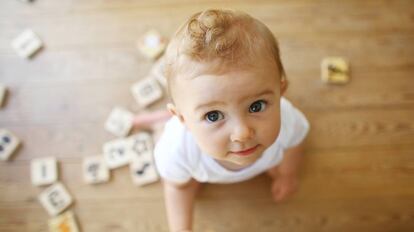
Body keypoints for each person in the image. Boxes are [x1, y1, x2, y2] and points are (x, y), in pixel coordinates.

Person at [153, 9, 310, 232]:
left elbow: (296, 142)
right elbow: (176, 189)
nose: (242, 133)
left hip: (261, 164)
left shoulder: (288, 120)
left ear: (280, 90)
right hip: (196, 167)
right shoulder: (177, 150)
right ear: (182, 119)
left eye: (256, 106)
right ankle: (157, 126)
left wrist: (287, 174)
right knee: (185, 183)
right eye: (213, 115)